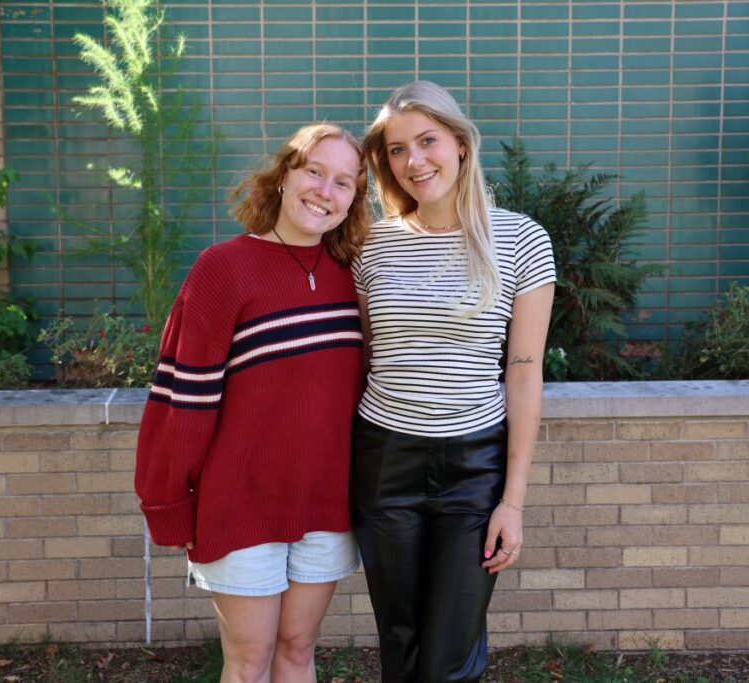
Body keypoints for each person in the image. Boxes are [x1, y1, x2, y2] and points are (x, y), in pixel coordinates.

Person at [135, 123, 370, 683]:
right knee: (249, 660)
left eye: (344, 182)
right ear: (284, 175)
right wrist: (171, 502)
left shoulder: (353, 277)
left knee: (298, 648)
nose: (325, 191)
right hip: (239, 501)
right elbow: (183, 399)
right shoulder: (223, 269)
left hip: (326, 504)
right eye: (314, 171)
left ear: (354, 199)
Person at [351, 81, 556, 682]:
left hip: (475, 466)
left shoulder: (520, 238)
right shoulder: (373, 245)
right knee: (402, 640)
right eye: (395, 150)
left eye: (427, 141)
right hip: (385, 458)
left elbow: (522, 371)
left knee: (450, 655)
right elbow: (364, 356)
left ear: (461, 144)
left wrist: (512, 500)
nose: (414, 161)